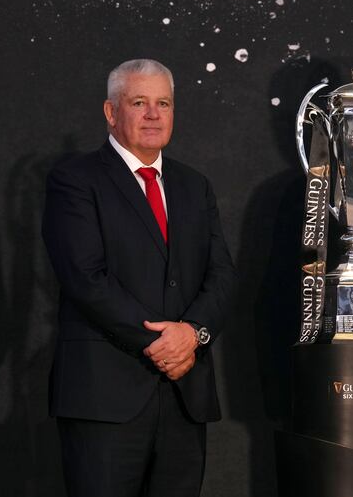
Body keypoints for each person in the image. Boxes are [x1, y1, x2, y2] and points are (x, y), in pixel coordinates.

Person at [42, 59, 236, 497]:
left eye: (163, 103)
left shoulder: (194, 185)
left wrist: (193, 334)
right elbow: (85, 277)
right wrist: (161, 342)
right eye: (139, 102)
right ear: (111, 112)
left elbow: (221, 274)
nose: (153, 114)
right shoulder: (75, 180)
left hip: (184, 395)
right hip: (105, 396)